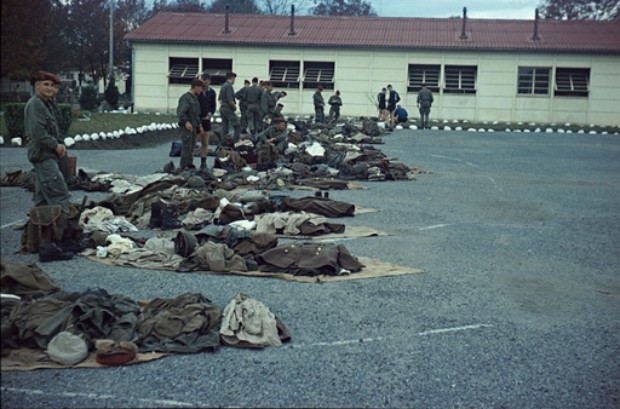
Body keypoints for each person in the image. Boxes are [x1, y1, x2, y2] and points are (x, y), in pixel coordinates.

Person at [24, 70, 73, 261]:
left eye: (53, 86)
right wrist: (56, 146)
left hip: (50, 156)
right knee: (59, 195)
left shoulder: (48, 104)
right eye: (46, 84)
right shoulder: (36, 104)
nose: (50, 89)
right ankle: (59, 240)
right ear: (37, 86)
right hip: (45, 156)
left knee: (43, 200)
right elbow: (37, 132)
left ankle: (43, 242)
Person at [48, 77, 72, 183]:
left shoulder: (52, 102)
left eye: (57, 88)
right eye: (53, 87)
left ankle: (67, 181)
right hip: (49, 144)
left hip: (57, 139)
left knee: (64, 165)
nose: (54, 90)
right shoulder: (42, 103)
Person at [176, 78, 203, 170]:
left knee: (192, 148)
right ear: (195, 87)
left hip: (194, 127)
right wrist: (186, 122)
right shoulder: (186, 98)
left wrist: (200, 126)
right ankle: (183, 167)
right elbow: (181, 112)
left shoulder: (195, 99)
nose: (201, 90)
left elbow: (196, 114)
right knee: (186, 148)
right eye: (200, 88)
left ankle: (189, 166)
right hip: (186, 128)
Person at [197, 74, 217, 169]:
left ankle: (203, 162)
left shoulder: (212, 92)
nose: (204, 82)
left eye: (206, 80)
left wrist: (210, 114)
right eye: (202, 80)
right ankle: (189, 162)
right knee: (194, 142)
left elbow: (213, 106)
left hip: (206, 120)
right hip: (197, 119)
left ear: (209, 81)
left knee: (205, 143)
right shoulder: (197, 92)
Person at [218, 71, 240, 145]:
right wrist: (234, 107)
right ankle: (236, 142)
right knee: (237, 125)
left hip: (223, 108)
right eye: (234, 78)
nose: (234, 80)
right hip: (228, 108)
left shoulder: (223, 86)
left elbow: (220, 100)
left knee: (224, 126)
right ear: (232, 78)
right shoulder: (229, 86)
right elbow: (230, 100)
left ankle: (223, 142)